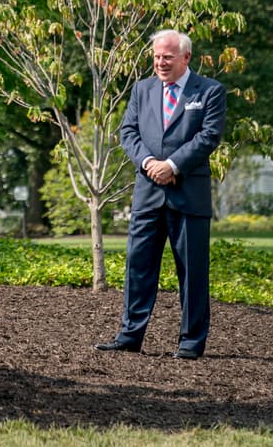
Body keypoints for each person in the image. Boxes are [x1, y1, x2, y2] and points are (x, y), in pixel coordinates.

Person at [96, 29, 226, 360]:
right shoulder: (142, 89)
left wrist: (172, 164)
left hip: (189, 196)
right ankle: (129, 336)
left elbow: (209, 136)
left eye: (167, 56)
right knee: (138, 268)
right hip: (147, 195)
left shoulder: (209, 91)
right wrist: (149, 162)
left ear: (186, 58)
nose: (160, 62)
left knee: (192, 272)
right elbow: (128, 131)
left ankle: (191, 342)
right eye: (156, 56)